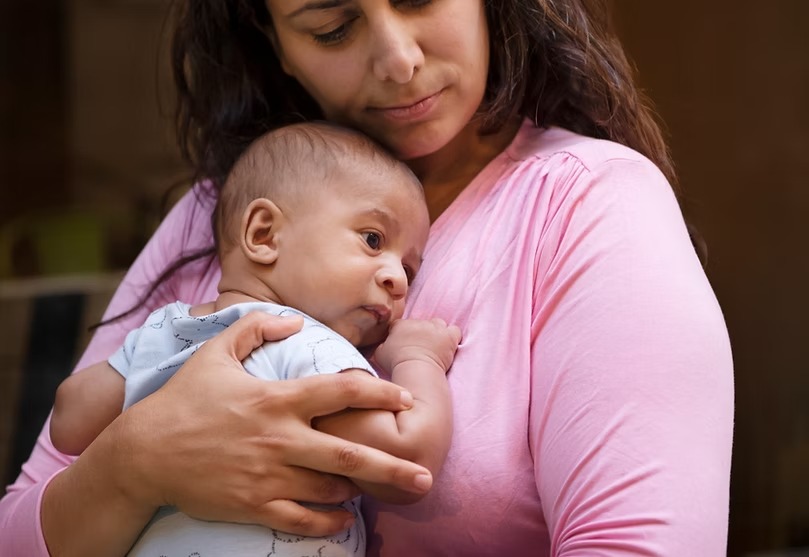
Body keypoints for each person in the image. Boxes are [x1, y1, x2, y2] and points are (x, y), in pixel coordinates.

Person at [0, 1, 735, 555]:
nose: (397, 58)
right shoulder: (221, 215)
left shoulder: (584, 204)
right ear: (274, 42)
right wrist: (135, 466)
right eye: (331, 28)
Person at [46, 121, 460, 556]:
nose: (397, 279)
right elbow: (407, 460)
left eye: (410, 271)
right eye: (372, 240)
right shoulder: (307, 342)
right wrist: (419, 360)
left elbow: (69, 422)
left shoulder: (165, 329)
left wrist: (137, 370)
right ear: (264, 234)